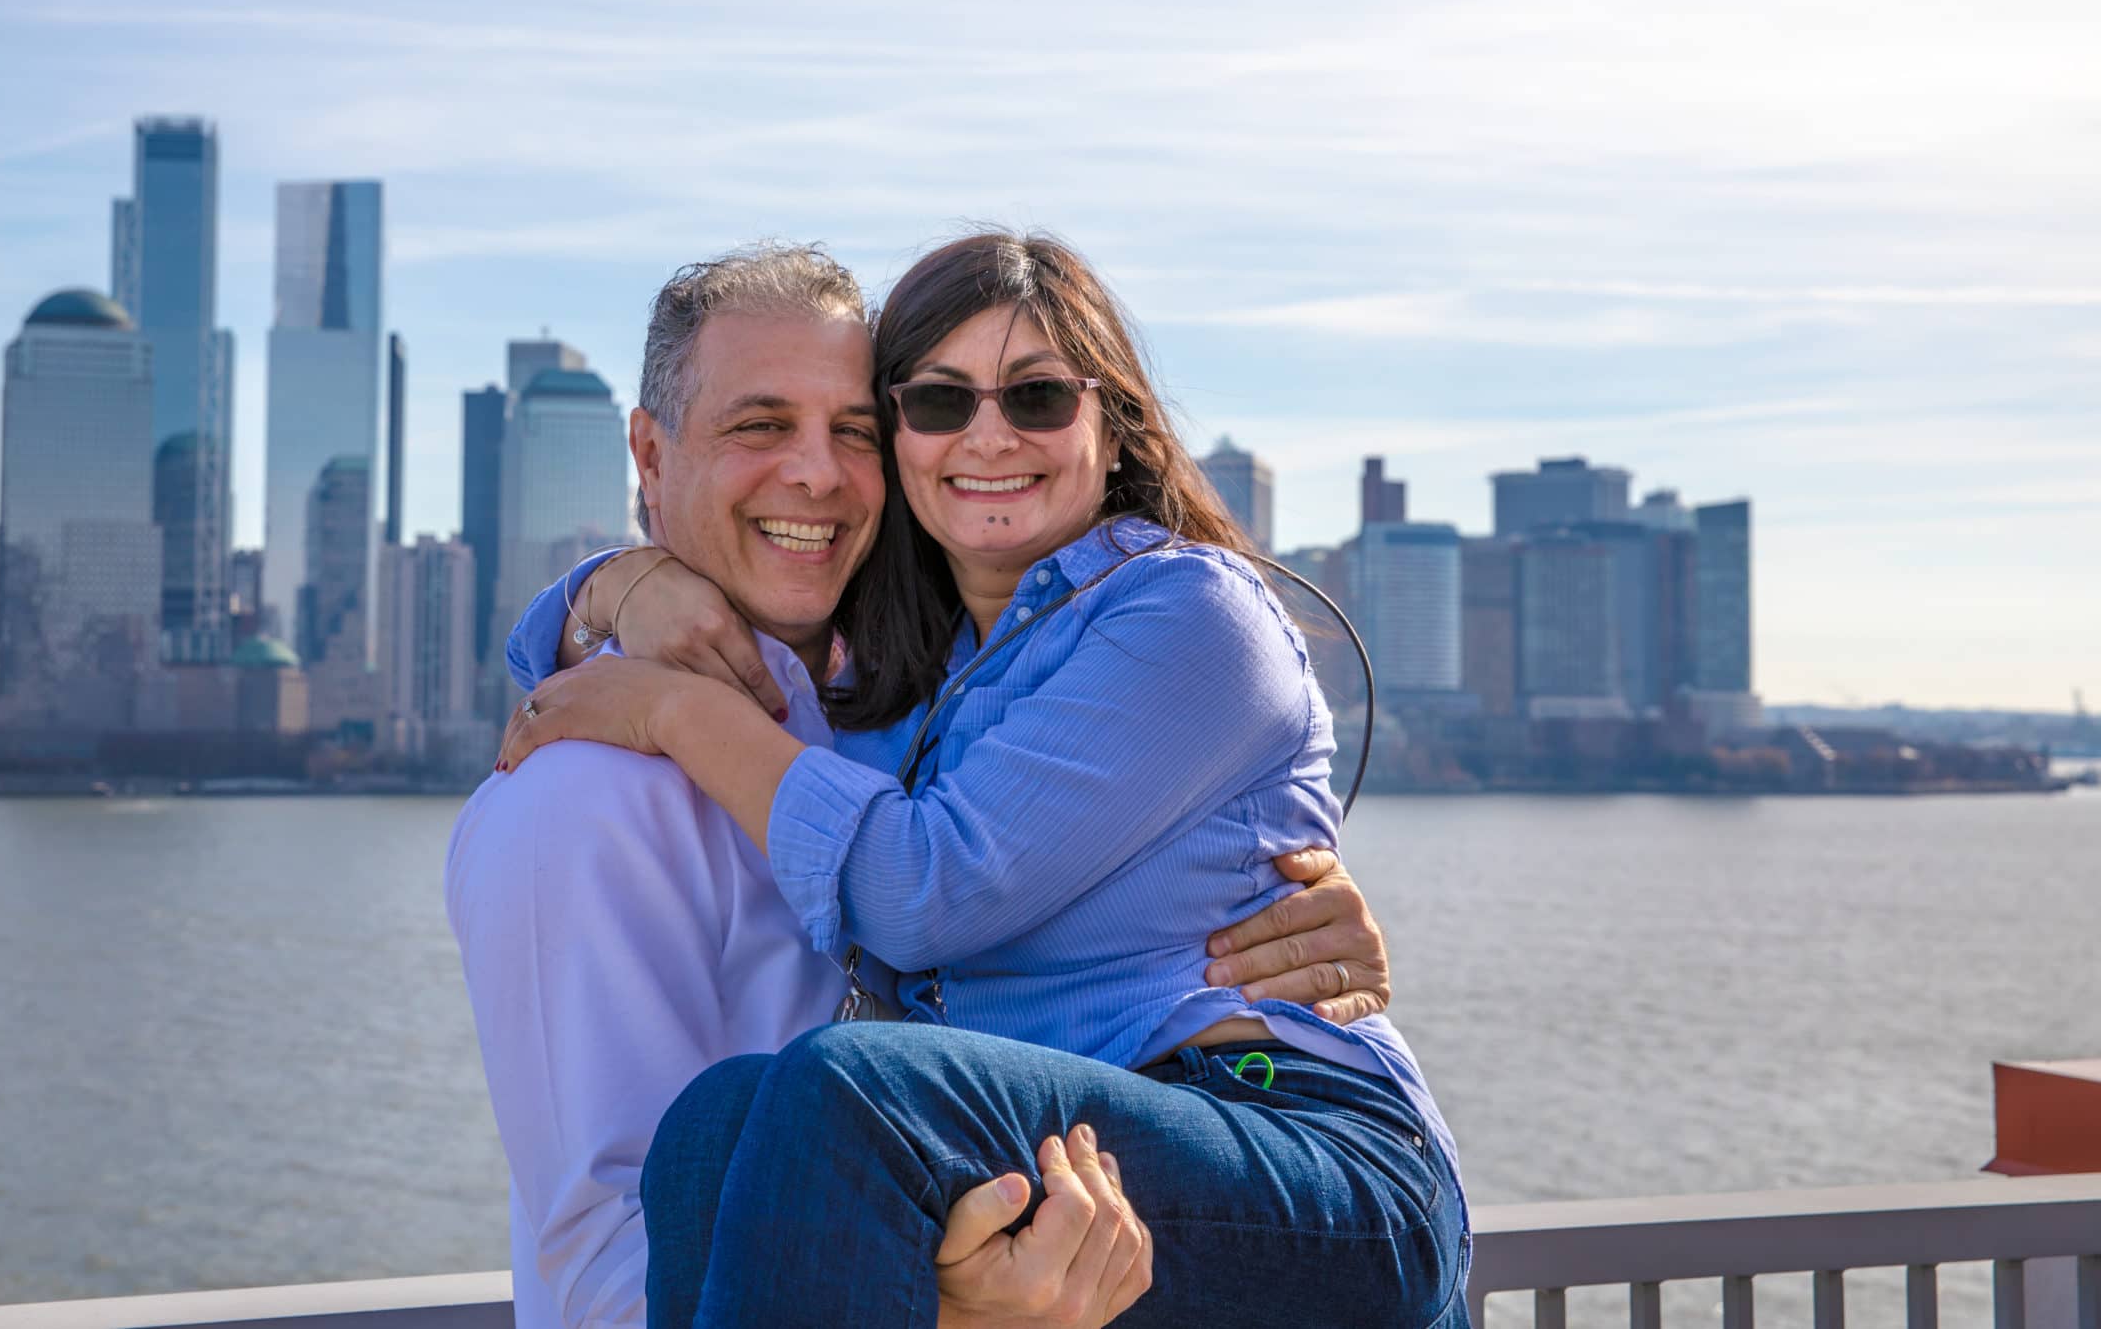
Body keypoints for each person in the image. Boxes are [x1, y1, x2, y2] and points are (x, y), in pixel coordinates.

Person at [494, 231, 1467, 1328]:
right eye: (941, 402)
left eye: (1039, 397)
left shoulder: (1190, 612)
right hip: (1054, 1158)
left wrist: (677, 710)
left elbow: (921, 893)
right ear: (903, 442)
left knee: (839, 1090)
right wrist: (620, 585)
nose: (990, 435)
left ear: (1113, 426)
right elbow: (546, 673)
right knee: (715, 1127)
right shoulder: (911, 670)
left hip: (1292, 1147)